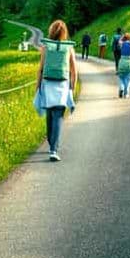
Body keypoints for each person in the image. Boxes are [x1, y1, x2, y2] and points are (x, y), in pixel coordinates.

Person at [35, 20, 78, 162]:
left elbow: (40, 69)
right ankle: (53, 149)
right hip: (62, 85)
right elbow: (74, 71)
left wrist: (37, 87)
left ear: (51, 31)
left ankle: (51, 142)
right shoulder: (69, 48)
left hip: (47, 84)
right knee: (58, 115)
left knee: (50, 114)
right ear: (64, 33)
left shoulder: (45, 47)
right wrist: (72, 87)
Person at [116, 32, 130, 98]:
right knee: (128, 79)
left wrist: (123, 36)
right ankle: (126, 93)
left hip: (122, 62)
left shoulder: (121, 43)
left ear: (124, 38)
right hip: (129, 62)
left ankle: (121, 88)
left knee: (121, 77)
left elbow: (119, 40)